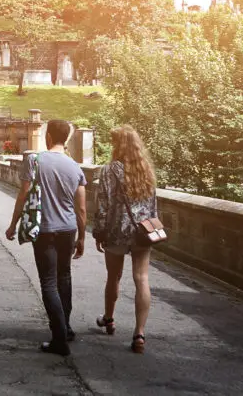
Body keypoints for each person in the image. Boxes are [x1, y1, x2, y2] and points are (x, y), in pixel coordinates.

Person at [5, 119, 86, 356]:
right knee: (65, 277)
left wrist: (13, 224)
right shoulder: (75, 166)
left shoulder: (36, 160)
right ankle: (66, 327)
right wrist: (82, 238)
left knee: (49, 282)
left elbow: (23, 195)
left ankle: (59, 338)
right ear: (67, 138)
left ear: (48, 137)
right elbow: (81, 209)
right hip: (69, 229)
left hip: (45, 229)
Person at [92, 125, 158, 355]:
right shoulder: (145, 169)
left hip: (117, 232)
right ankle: (139, 333)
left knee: (114, 276)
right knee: (142, 278)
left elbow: (102, 206)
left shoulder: (109, 170)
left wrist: (99, 232)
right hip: (141, 232)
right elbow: (152, 206)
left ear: (117, 144)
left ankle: (109, 319)